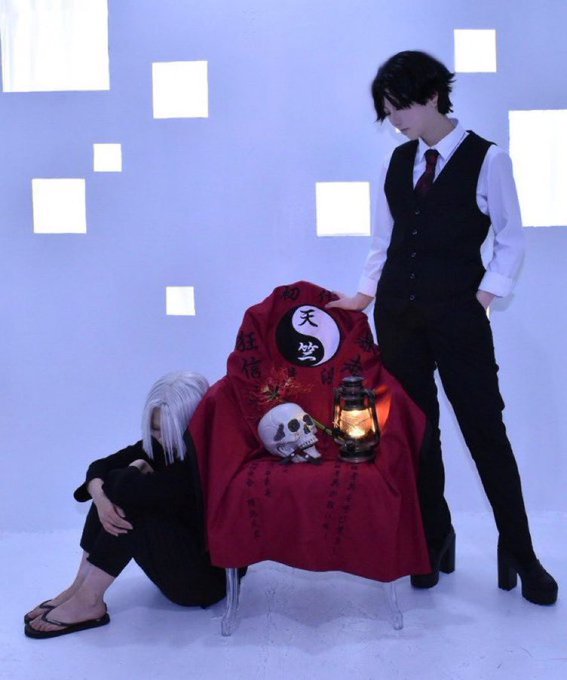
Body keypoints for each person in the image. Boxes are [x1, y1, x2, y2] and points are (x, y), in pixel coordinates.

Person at [327, 50, 558, 605]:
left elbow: (511, 239)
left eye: (401, 107)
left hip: (459, 318)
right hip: (398, 317)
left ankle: (520, 550)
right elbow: (384, 241)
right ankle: (435, 538)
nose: (395, 121)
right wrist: (362, 297)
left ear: (432, 96)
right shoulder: (397, 162)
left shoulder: (487, 158)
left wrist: (482, 297)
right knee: (417, 433)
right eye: (388, 112)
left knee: (485, 432)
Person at [24, 371, 227, 639]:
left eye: (166, 430)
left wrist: (135, 467)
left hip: (205, 581)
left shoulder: (200, 462)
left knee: (128, 506)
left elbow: (124, 487)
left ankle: (89, 601)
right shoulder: (162, 447)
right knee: (108, 495)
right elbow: (101, 466)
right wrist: (99, 497)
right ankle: (78, 588)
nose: (158, 437)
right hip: (179, 559)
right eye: (153, 428)